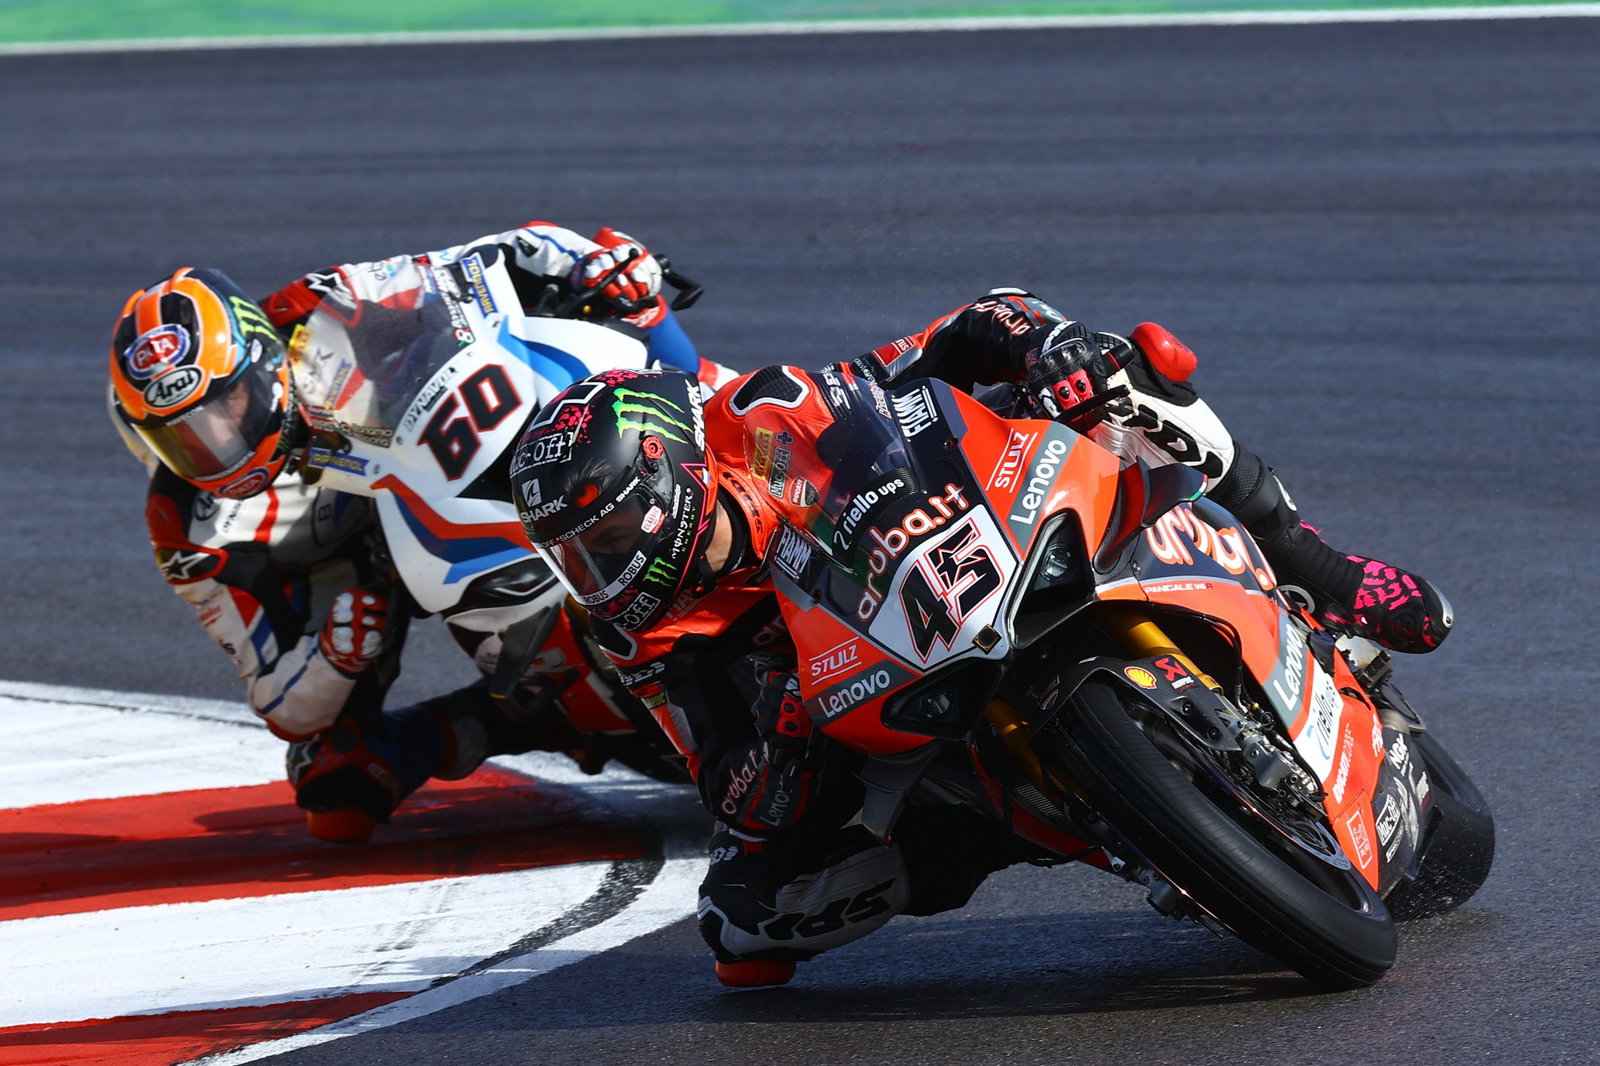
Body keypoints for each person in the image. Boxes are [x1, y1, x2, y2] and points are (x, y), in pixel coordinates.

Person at [506, 288, 1455, 986]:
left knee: (1129, 373)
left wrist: (1044, 346)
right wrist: (778, 752)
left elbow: (947, 343)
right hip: (869, 703)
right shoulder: (644, 631)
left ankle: (1313, 564)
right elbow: (723, 778)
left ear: (669, 476)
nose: (603, 572)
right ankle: (1045, 826)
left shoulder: (766, 413)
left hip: (970, 547)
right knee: (744, 927)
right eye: (578, 556)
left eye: (611, 536)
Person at [108, 221, 725, 843]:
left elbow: (483, 263)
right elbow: (279, 701)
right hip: (364, 582)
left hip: (438, 460)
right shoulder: (186, 528)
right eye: (184, 437)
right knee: (337, 787)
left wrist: (595, 265)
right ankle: (526, 714)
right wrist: (338, 653)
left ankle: (744, 426)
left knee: (637, 315)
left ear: (262, 357)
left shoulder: (315, 306)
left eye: (229, 406)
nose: (220, 444)